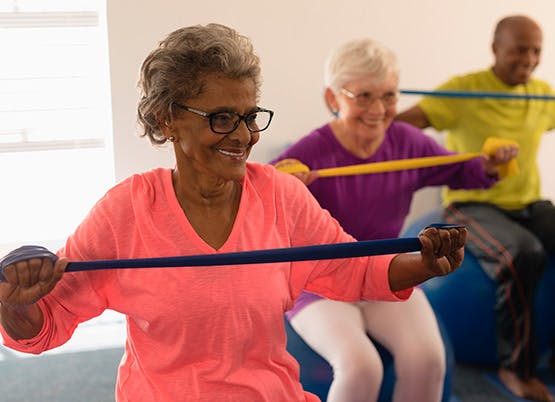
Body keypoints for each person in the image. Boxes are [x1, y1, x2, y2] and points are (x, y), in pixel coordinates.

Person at [0, 23, 468, 402]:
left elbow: (355, 269)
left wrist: (427, 263)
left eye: (249, 117)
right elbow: (46, 322)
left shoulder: (281, 197)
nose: (243, 136)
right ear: (167, 119)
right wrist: (14, 303)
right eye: (221, 118)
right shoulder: (127, 211)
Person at [271, 38, 518, 402]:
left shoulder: (407, 142)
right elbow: (259, 205)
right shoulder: (309, 154)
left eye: (389, 96)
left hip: (388, 272)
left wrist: (492, 164)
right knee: (360, 367)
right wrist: (282, 188)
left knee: (428, 360)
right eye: (364, 96)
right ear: (332, 99)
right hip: (320, 283)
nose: (379, 109)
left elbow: (463, 169)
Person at [396, 14, 555, 402]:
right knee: (522, 253)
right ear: (496, 48)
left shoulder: (540, 95)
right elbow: (401, 127)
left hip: (528, 203)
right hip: (472, 202)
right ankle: (515, 369)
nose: (529, 59)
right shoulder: (464, 91)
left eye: (536, 50)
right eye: (520, 49)